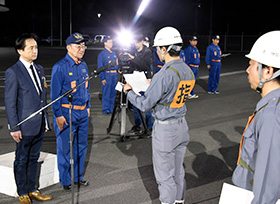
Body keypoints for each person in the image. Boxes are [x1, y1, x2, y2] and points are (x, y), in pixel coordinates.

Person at [123, 26, 194, 204]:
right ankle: (179, 201)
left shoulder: (164, 74)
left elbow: (146, 104)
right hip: (181, 125)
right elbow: (172, 91)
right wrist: (153, 83)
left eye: (158, 49)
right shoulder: (187, 70)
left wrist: (129, 92)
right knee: (178, 171)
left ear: (164, 49)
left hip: (166, 130)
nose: (157, 53)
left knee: (165, 176)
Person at [232, 31, 280, 204]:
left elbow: (269, 179)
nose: (247, 69)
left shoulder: (271, 115)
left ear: (267, 71)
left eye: (251, 64)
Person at [5, 33, 52, 204]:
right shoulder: (13, 72)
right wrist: (14, 127)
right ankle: (22, 192)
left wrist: (45, 120)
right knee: (22, 159)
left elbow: (42, 99)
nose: (35, 50)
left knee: (34, 158)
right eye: (31, 48)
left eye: (36, 47)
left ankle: (33, 189)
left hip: (39, 124)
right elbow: (10, 103)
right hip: (24, 126)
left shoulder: (38, 69)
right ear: (20, 50)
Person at [51, 33, 90, 190]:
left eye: (83, 46)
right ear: (68, 48)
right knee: (65, 148)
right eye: (78, 46)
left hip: (82, 113)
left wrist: (87, 108)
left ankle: (78, 177)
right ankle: (66, 180)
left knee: (81, 146)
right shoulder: (60, 67)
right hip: (67, 113)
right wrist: (58, 115)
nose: (81, 49)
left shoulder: (83, 65)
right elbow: (54, 95)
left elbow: (85, 90)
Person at [125, 34, 154, 135]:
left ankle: (149, 127)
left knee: (146, 104)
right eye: (134, 42)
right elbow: (131, 65)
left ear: (142, 41)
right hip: (134, 78)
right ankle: (137, 125)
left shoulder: (147, 52)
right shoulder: (132, 51)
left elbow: (144, 65)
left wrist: (133, 58)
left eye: (137, 42)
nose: (135, 44)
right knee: (135, 103)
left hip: (145, 79)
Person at [97, 36, 118, 114]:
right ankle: (106, 109)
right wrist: (102, 78)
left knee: (113, 93)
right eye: (109, 42)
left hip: (114, 75)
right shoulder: (102, 55)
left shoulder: (114, 53)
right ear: (105, 43)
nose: (111, 43)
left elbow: (116, 64)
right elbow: (100, 67)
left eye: (112, 42)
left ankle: (111, 108)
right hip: (107, 75)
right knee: (106, 93)